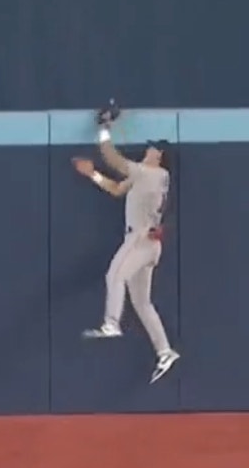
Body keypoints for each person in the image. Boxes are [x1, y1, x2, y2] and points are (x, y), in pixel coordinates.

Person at [70, 117, 182, 384]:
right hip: (150, 245)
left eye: (153, 149)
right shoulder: (148, 177)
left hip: (140, 239)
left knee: (114, 276)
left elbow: (113, 158)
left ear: (160, 157)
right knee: (142, 303)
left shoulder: (151, 173)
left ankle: (111, 323)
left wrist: (103, 128)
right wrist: (93, 175)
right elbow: (117, 189)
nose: (148, 150)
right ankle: (165, 351)